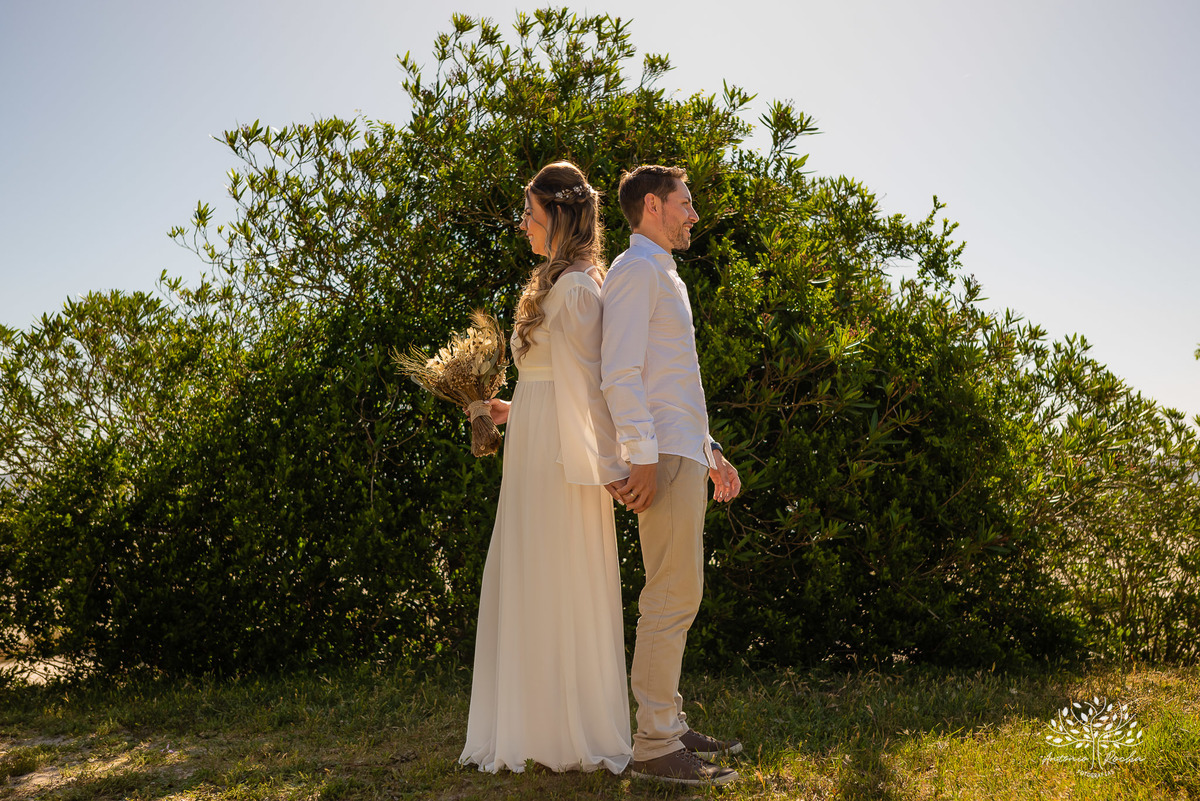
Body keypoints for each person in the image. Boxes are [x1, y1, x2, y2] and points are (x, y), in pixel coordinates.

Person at [459, 161, 632, 775]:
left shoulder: (581, 287)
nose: (525, 228)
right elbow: (550, 378)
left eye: (531, 217)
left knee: (559, 573)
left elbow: (590, 386)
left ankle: (568, 731)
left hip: (563, 461)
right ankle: (532, 721)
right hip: (535, 445)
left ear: (559, 217)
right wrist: (510, 406)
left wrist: (612, 465)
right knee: (532, 572)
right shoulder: (558, 280)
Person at [600, 164, 744, 786]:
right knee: (669, 594)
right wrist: (644, 455)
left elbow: (673, 382)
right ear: (653, 206)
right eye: (686, 203)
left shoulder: (663, 275)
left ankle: (671, 724)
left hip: (682, 449)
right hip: (659, 455)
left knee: (679, 592)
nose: (693, 213)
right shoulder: (635, 273)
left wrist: (709, 448)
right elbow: (620, 373)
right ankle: (656, 744)